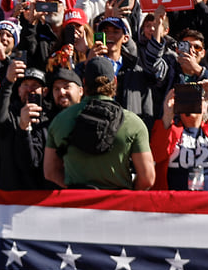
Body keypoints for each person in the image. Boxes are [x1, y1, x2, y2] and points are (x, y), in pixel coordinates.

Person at [44, 57, 154, 190]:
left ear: (84, 83)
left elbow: (50, 172)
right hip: (117, 206)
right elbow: (147, 177)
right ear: (115, 81)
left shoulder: (60, 120)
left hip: (76, 206)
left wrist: (74, 191)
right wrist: (126, 197)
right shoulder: (133, 123)